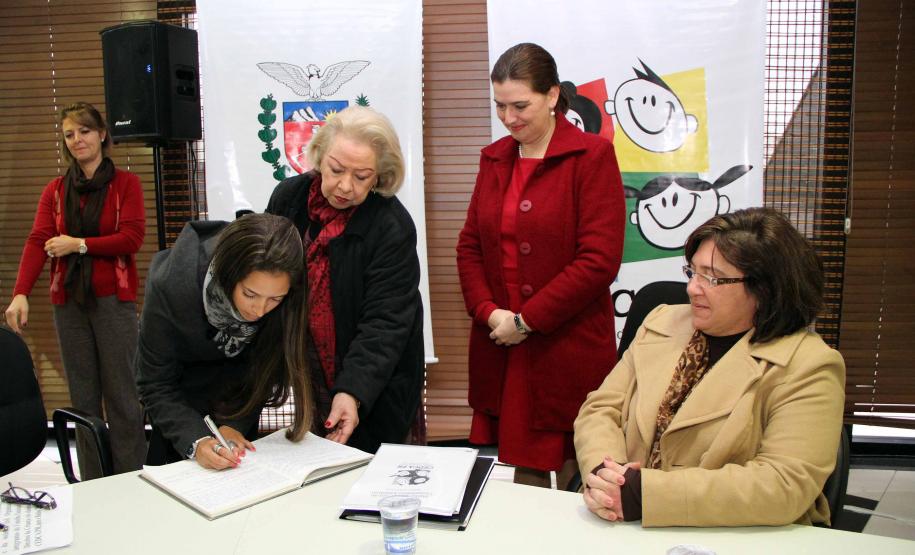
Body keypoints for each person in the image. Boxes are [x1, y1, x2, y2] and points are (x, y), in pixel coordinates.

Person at [574, 207, 846, 527]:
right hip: (621, 521)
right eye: (692, 272)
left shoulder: (810, 366)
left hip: (739, 536)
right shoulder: (661, 321)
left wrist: (646, 495)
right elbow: (602, 408)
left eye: (712, 278)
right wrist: (605, 474)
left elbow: (783, 483)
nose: (692, 288)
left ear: (766, 290)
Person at [456, 43, 626, 488]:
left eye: (520, 105)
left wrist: (527, 321)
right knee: (521, 470)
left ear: (552, 96)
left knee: (578, 468)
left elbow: (599, 260)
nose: (509, 118)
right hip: (502, 341)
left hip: (564, 343)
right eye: (499, 106)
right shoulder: (493, 158)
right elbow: (470, 246)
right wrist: (488, 311)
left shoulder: (592, 156)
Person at [266, 105, 424, 454]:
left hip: (374, 379)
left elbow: (386, 321)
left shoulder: (390, 225)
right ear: (319, 156)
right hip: (308, 372)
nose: (344, 186)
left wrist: (353, 390)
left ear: (380, 176)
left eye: (361, 176)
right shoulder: (287, 199)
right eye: (336, 170)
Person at [5, 102, 146, 480]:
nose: (77, 140)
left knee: (123, 395)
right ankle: (95, 481)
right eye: (69, 135)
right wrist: (20, 292)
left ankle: (130, 478)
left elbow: (131, 238)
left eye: (84, 131)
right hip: (68, 302)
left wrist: (79, 244)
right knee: (83, 398)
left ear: (101, 135)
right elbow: (38, 240)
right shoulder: (54, 191)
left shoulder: (125, 185)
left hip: (113, 301)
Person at [135, 214, 312, 469]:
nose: (260, 310)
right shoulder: (171, 286)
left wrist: (235, 425)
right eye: (250, 294)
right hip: (179, 407)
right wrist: (196, 440)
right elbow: (155, 382)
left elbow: (263, 368)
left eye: (274, 299)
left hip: (239, 401)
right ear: (229, 275)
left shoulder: (284, 294)